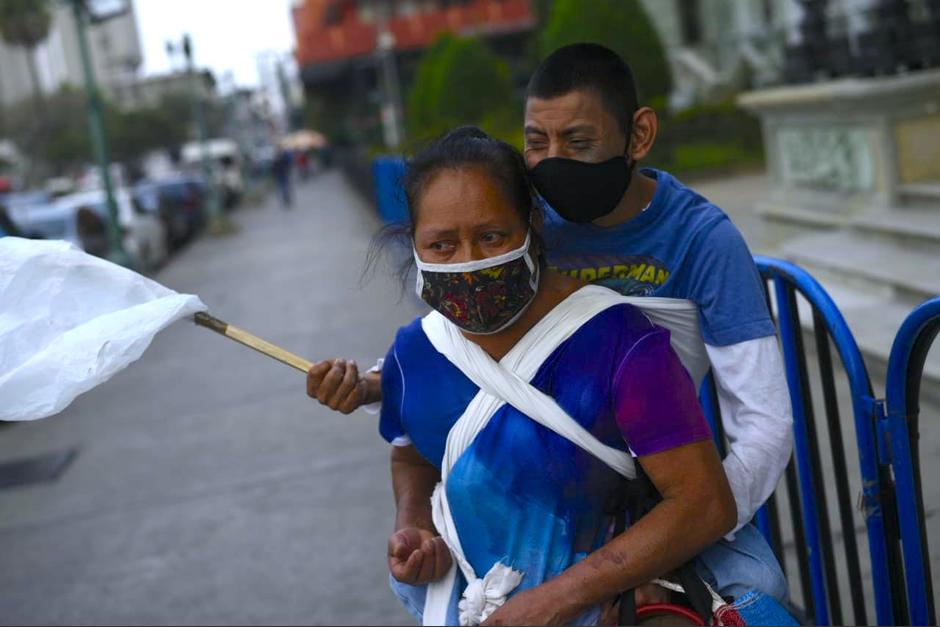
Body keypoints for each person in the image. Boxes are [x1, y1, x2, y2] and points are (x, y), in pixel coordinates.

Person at [310, 44, 793, 555]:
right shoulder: (516, 223)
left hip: (666, 483)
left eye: (579, 141)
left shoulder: (701, 241)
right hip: (539, 503)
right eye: (537, 142)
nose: (553, 162)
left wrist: (687, 533)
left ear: (640, 135)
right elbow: (468, 335)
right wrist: (373, 385)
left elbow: (764, 424)